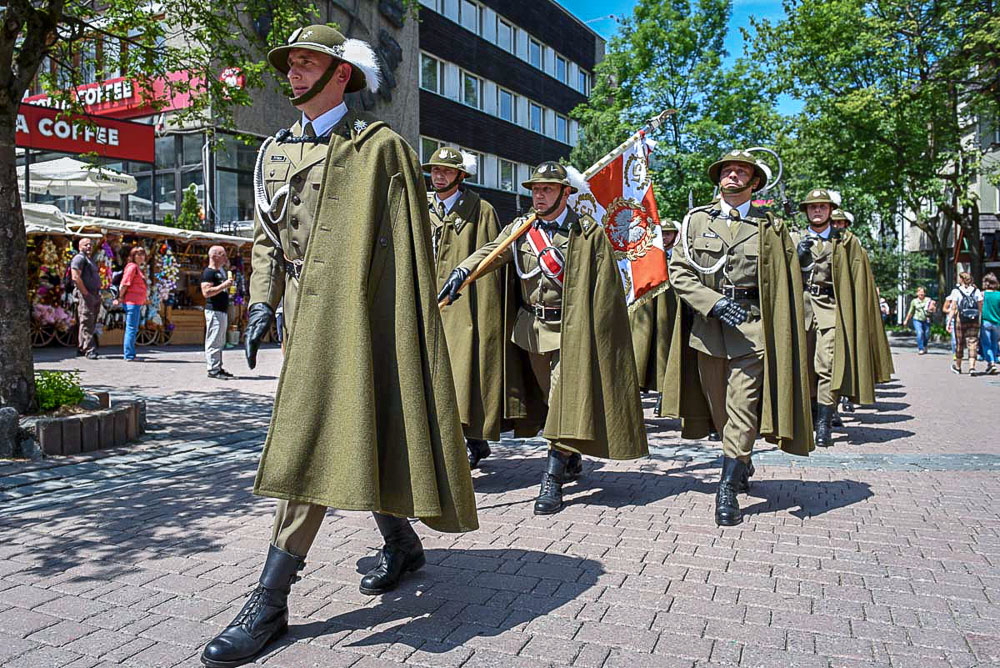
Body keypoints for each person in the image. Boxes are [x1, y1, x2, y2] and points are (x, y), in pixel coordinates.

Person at [201, 25, 477, 668]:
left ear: (341, 75)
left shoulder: (380, 147)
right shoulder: (275, 150)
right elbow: (266, 236)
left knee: (313, 441)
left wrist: (389, 323)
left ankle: (270, 600)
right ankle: (402, 544)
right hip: (302, 317)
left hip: (361, 317)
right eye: (290, 64)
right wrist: (263, 300)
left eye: (307, 64)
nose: (293, 74)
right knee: (358, 430)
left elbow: (403, 250)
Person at [439, 161, 649, 516]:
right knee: (553, 404)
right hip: (531, 331)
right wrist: (464, 270)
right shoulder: (522, 228)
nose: (539, 195)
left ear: (565, 193)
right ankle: (569, 453)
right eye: (535, 189)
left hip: (571, 331)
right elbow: (493, 252)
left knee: (563, 395)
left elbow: (604, 290)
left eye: (547, 189)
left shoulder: (587, 233)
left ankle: (550, 480)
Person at [659, 149, 814, 526]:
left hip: (751, 329)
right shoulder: (695, 221)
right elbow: (679, 273)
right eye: (727, 170)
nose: (732, 175)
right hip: (709, 331)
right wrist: (712, 304)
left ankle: (726, 487)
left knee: (743, 410)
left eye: (740, 171)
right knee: (721, 412)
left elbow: (788, 274)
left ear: (754, 182)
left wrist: (803, 256)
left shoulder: (770, 226)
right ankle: (741, 460)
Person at [424, 146, 504, 469]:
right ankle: (470, 441)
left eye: (445, 170)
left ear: (460, 175)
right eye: (434, 169)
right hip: (427, 303)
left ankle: (462, 442)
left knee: (460, 374)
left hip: (463, 307)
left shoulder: (480, 210)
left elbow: (491, 257)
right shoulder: (421, 206)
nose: (438, 175)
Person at [201, 245, 235, 379]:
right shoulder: (209, 272)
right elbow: (206, 292)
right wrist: (224, 286)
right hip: (214, 310)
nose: (226, 258)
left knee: (220, 340)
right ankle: (213, 369)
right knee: (213, 340)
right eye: (223, 255)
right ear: (214, 256)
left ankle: (218, 366)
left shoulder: (220, 271)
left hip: (221, 310)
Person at [70, 237, 103, 360]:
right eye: (85, 245)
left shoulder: (89, 259)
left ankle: (81, 347)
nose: (89, 247)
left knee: (89, 321)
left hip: (93, 293)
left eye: (90, 244)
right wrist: (86, 294)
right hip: (86, 294)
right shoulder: (79, 258)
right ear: (79, 247)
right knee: (87, 321)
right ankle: (89, 349)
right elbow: (75, 277)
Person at [115, 246, 147, 362]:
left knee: (133, 328)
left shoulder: (137, 268)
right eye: (138, 254)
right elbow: (124, 283)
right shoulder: (132, 267)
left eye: (142, 254)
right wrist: (120, 297)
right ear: (133, 256)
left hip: (136, 302)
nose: (141, 256)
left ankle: (131, 353)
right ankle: (129, 355)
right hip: (132, 302)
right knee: (131, 328)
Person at [949, 271, 983, 374]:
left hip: (961, 318)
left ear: (961, 279)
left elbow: (954, 307)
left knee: (960, 342)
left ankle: (958, 367)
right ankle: (972, 367)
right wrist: (980, 316)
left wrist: (949, 320)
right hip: (974, 319)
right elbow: (980, 305)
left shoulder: (956, 291)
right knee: (972, 342)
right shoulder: (976, 291)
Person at [904, 286, 933, 355]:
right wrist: (906, 320)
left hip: (926, 319)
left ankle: (925, 345)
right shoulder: (914, 301)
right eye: (919, 292)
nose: (921, 293)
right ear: (917, 293)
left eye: (922, 292)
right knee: (920, 333)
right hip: (917, 319)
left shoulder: (928, 300)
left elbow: (933, 309)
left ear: (925, 293)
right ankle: (921, 348)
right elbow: (911, 311)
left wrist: (931, 309)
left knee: (927, 334)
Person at [981, 273, 1000, 374]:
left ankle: (991, 363)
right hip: (997, 322)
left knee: (986, 343)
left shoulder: (982, 294)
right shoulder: (999, 295)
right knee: (994, 343)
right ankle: (994, 360)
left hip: (985, 322)